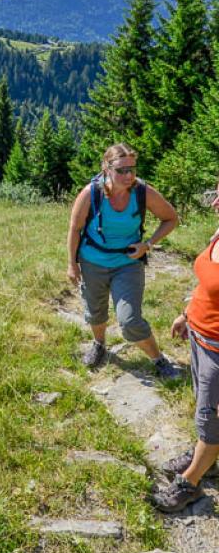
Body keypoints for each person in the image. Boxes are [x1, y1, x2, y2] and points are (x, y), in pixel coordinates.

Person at [67, 143, 180, 378]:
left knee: (129, 320)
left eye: (132, 169)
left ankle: (158, 359)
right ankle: (99, 345)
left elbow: (170, 218)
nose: (128, 176)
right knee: (95, 311)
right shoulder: (91, 193)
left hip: (128, 262)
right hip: (92, 261)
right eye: (121, 170)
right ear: (106, 168)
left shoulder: (142, 192)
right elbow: (75, 228)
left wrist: (147, 245)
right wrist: (72, 264)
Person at [152, 183, 219, 512]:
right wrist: (187, 314)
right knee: (205, 407)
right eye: (217, 192)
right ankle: (209, 462)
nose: (217, 200)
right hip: (200, 338)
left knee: (211, 417)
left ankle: (190, 483)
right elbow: (207, 285)